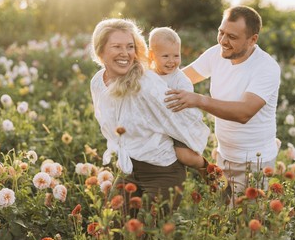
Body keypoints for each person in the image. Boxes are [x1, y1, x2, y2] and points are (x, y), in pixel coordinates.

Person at [90, 18, 210, 215]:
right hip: (129, 169)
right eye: (116, 46)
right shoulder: (97, 82)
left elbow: (182, 119)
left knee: (147, 231)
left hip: (162, 171)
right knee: (110, 232)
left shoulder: (146, 84)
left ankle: (212, 172)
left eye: (130, 46)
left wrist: (196, 160)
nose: (125, 53)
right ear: (101, 51)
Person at [165, 5, 281, 197]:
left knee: (248, 223)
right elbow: (180, 80)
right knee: (223, 218)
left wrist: (199, 100)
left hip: (255, 163)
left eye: (232, 37)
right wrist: (144, 80)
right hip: (224, 156)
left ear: (253, 40)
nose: (223, 41)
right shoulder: (216, 54)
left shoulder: (266, 67)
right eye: (221, 32)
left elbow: (244, 112)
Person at [148, 27, 209, 173]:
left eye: (176, 55)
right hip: (157, 122)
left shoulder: (181, 80)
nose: (172, 61)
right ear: (151, 55)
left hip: (178, 124)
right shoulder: (148, 74)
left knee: (185, 157)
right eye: (165, 56)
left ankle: (208, 169)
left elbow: (183, 108)